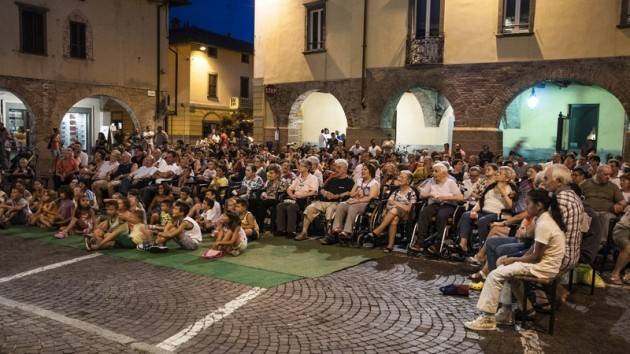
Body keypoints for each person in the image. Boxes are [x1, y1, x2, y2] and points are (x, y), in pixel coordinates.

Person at [464, 189, 567, 331]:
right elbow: (533, 250)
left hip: (544, 267)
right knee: (502, 264)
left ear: (539, 205)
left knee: (495, 275)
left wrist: (513, 260)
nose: (526, 207)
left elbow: (536, 256)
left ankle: (487, 318)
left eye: (528, 204)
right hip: (542, 264)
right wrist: (513, 259)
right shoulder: (543, 218)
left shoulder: (545, 223)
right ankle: (513, 312)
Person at [458, 166, 515, 253]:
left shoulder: (511, 188)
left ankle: (482, 248)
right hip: (484, 211)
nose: (496, 174)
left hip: (498, 214)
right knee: (466, 215)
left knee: (483, 220)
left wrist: (502, 191)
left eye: (499, 173)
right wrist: (473, 210)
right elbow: (481, 201)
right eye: (497, 172)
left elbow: (511, 206)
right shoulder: (491, 187)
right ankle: (463, 245)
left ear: (507, 178)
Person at [409, 163, 464, 253]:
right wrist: (430, 194)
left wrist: (445, 197)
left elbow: (460, 197)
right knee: (424, 213)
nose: (433, 173)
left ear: (444, 173)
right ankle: (420, 243)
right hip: (435, 204)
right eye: (433, 171)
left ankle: (438, 244)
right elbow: (422, 195)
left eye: (436, 171)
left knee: (441, 215)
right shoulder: (431, 181)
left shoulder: (450, 182)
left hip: (448, 204)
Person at [297, 159, 354, 241]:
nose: (336, 169)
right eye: (336, 167)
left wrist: (336, 196)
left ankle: (329, 235)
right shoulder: (332, 179)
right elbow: (321, 189)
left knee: (330, 211)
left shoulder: (350, 181)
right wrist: (326, 193)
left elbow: (349, 194)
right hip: (323, 201)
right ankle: (304, 232)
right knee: (310, 208)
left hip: (337, 203)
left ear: (345, 169)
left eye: (339, 168)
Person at [366, 170, 416, 252]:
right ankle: (390, 246)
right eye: (399, 176)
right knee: (394, 219)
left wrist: (396, 203)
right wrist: (397, 205)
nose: (399, 178)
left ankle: (378, 230)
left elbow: (409, 208)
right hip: (393, 213)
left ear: (408, 181)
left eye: (402, 177)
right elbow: (388, 203)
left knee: (395, 209)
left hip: (407, 215)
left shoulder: (412, 193)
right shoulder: (396, 191)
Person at [580, 165, 626, 252]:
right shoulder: (585, 184)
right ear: (598, 174)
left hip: (606, 212)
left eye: (610, 175)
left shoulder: (613, 187)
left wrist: (620, 206)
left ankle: (600, 244)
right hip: (589, 211)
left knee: (606, 217)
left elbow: (622, 202)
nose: (608, 177)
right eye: (606, 175)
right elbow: (577, 197)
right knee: (589, 216)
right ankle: (583, 243)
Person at [331, 163, 380, 241]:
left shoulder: (374, 183)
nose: (362, 171)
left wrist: (357, 200)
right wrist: (356, 193)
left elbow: (371, 198)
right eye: (362, 169)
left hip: (366, 204)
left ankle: (347, 231)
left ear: (370, 172)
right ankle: (337, 228)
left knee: (353, 207)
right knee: (341, 205)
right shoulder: (359, 181)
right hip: (354, 201)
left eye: (365, 169)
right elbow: (351, 194)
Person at [276, 159, 319, 238]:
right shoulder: (298, 178)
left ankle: (291, 231)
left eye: (302, 166)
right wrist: (292, 195)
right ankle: (281, 229)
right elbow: (289, 189)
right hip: (294, 198)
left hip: (304, 200)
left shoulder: (313, 178)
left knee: (291, 207)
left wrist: (302, 195)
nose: (299, 167)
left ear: (307, 168)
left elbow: (314, 192)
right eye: (299, 165)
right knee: (280, 206)